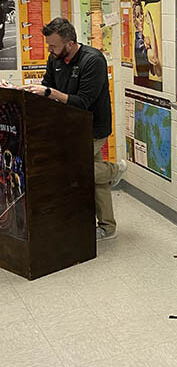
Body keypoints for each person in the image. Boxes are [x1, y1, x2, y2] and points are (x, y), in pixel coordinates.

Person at [25, 17, 126, 241]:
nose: (50, 50)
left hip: (92, 127)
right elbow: (47, 85)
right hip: (69, 126)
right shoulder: (55, 59)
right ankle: (108, 226)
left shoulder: (93, 60)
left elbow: (83, 102)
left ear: (70, 43)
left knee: (71, 169)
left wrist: (50, 93)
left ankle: (113, 170)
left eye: (54, 45)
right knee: (93, 174)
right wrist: (25, 90)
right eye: (49, 45)